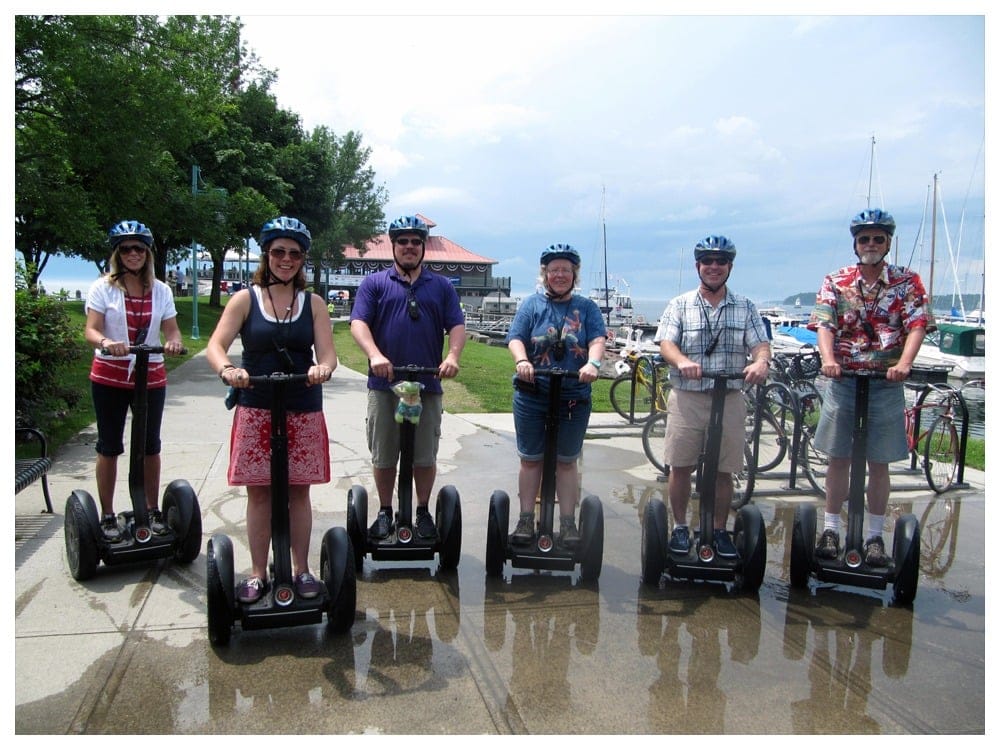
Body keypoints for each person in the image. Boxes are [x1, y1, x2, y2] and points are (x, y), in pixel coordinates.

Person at [205, 216, 336, 604]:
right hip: (257, 402)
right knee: (259, 493)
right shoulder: (245, 299)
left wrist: (322, 368)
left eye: (294, 253)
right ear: (267, 254)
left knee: (299, 492)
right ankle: (258, 572)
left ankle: (301, 569)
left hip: (302, 403)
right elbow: (216, 345)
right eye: (279, 251)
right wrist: (228, 370)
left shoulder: (313, 304)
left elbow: (328, 353)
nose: (286, 259)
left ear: (302, 259)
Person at [807, 209, 933, 567]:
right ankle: (831, 529)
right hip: (844, 379)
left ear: (888, 242)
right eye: (865, 239)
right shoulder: (836, 280)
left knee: (880, 461)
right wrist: (828, 360)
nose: (871, 245)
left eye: (878, 238)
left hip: (884, 380)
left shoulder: (907, 283)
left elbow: (917, 324)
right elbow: (825, 325)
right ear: (856, 244)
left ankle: (875, 535)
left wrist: (904, 364)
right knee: (838, 457)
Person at [350, 215, 466, 541]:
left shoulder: (440, 286)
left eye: (416, 242)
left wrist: (452, 356)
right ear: (394, 245)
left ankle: (423, 510)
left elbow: (456, 326)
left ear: (423, 246)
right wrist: (375, 355)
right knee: (384, 453)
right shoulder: (374, 284)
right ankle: (386, 510)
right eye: (403, 241)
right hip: (385, 384)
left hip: (426, 385)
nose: (410, 247)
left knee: (424, 455)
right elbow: (359, 323)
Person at [654, 236, 770, 558]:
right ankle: (679, 526)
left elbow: (760, 344)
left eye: (720, 262)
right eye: (708, 261)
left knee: (724, 470)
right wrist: (682, 362)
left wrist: (761, 362)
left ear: (729, 266)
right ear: (698, 267)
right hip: (689, 396)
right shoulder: (680, 304)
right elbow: (666, 343)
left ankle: (719, 529)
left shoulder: (745, 306)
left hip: (730, 396)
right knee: (680, 465)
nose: (714, 267)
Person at [84, 220, 185, 541]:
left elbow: (171, 330)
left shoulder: (162, 290)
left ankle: (152, 509)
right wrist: (105, 343)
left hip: (150, 376)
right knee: (110, 446)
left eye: (139, 248)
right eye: (126, 248)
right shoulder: (103, 288)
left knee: (150, 446)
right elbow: (91, 329)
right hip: (109, 376)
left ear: (147, 253)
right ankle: (108, 515)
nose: (132, 254)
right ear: (117, 253)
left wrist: (173, 343)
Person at [505, 244, 607, 546]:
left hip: (573, 393)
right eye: (554, 270)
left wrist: (593, 362)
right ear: (545, 274)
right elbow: (516, 338)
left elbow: (598, 339)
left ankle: (568, 523)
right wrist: (522, 361)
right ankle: (525, 520)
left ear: (574, 274)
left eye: (565, 270)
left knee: (566, 461)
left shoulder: (586, 307)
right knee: (530, 459)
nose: (559, 275)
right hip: (533, 392)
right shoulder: (531, 305)